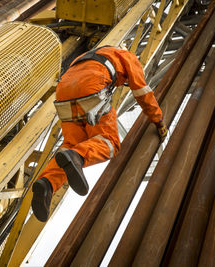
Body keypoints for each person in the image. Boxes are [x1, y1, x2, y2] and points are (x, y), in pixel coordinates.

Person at [31, 46, 168, 222]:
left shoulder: (88, 55)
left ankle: (47, 184)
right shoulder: (128, 57)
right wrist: (158, 120)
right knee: (109, 142)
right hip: (92, 85)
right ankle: (78, 157)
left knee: (71, 145)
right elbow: (142, 93)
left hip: (64, 91)